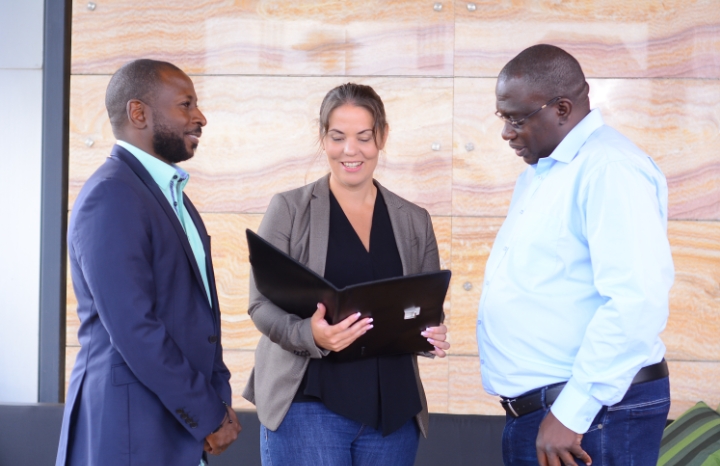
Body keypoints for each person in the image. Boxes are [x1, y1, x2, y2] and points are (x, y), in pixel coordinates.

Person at [477, 44, 674, 466]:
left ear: (562, 108)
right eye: (502, 119)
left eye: (515, 119)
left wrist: (572, 411)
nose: (507, 133)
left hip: (588, 417)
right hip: (554, 413)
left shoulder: (609, 169)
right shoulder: (545, 172)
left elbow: (636, 300)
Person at [243, 83, 450, 466]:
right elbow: (260, 304)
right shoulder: (288, 208)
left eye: (364, 137)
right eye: (338, 137)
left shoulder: (414, 220)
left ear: (382, 137)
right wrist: (310, 334)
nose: (350, 150)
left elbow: (424, 305)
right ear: (323, 139)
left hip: (393, 412)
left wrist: (430, 332)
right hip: (309, 404)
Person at [56, 59, 241, 466]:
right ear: (138, 112)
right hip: (130, 434)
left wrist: (218, 397)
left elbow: (196, 316)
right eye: (185, 105)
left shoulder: (170, 196)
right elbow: (135, 328)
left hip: (179, 429)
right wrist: (208, 412)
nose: (200, 117)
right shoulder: (111, 195)